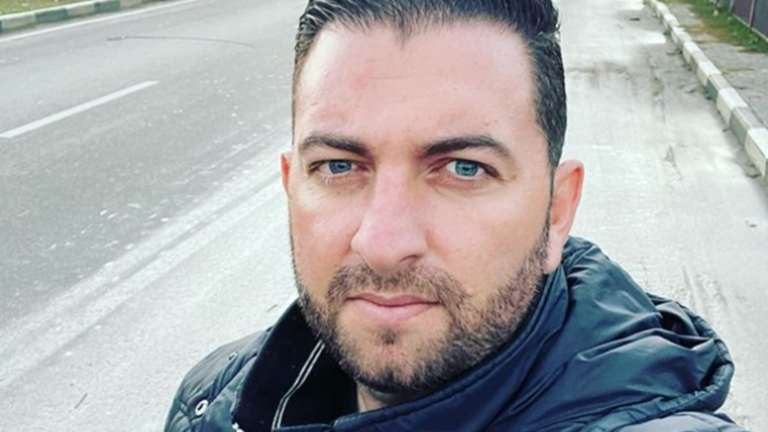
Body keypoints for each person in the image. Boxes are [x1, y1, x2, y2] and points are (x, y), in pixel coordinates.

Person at [165, 0, 751, 431]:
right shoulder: (214, 400)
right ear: (291, 186)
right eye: (338, 166)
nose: (383, 242)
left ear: (557, 212)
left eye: (464, 169)